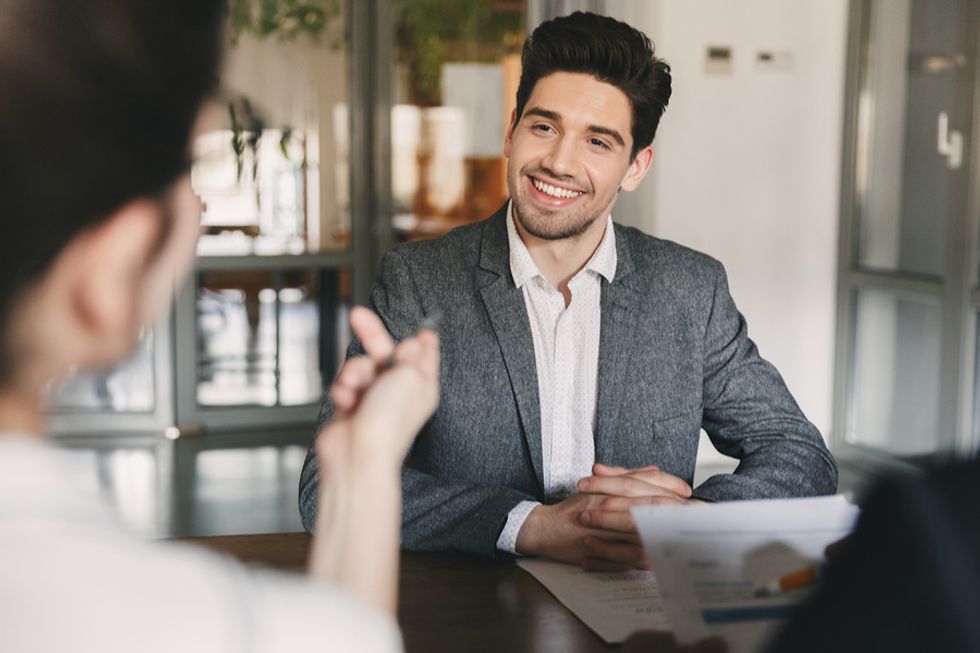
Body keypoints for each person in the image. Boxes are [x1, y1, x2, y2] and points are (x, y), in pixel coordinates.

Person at [299, 11, 837, 570]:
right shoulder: (417, 280)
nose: (559, 161)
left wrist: (688, 520)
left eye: (598, 142)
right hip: (476, 612)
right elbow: (328, 488)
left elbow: (800, 456)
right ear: (511, 133)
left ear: (635, 167)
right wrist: (529, 525)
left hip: (640, 618)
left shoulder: (690, 290)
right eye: (544, 127)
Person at [0, 2, 438, 651]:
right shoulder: (207, 624)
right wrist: (371, 467)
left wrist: (355, 467)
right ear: (111, 269)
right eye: (191, 170)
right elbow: (345, 637)